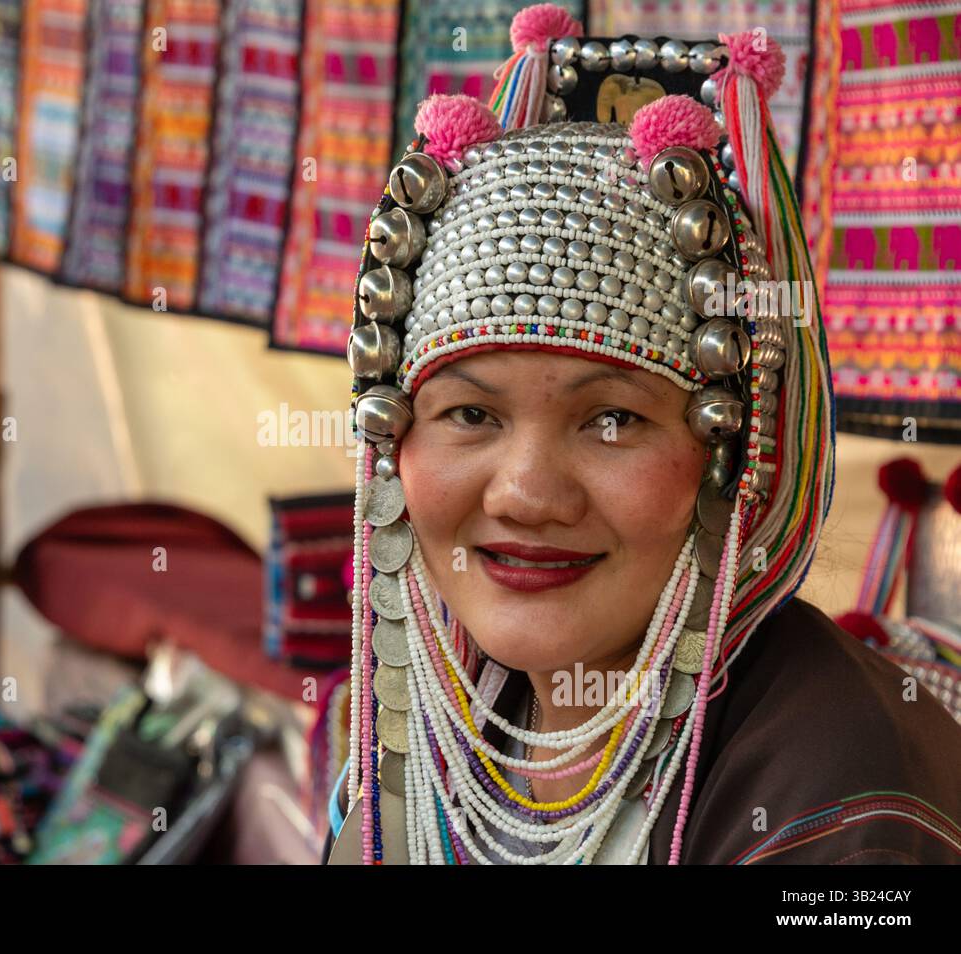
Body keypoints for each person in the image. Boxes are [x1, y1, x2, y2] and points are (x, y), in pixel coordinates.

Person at [325, 4, 961, 864]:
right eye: (470, 414)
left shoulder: (842, 810)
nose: (524, 493)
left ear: (738, 454)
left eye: (612, 420)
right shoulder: (429, 730)